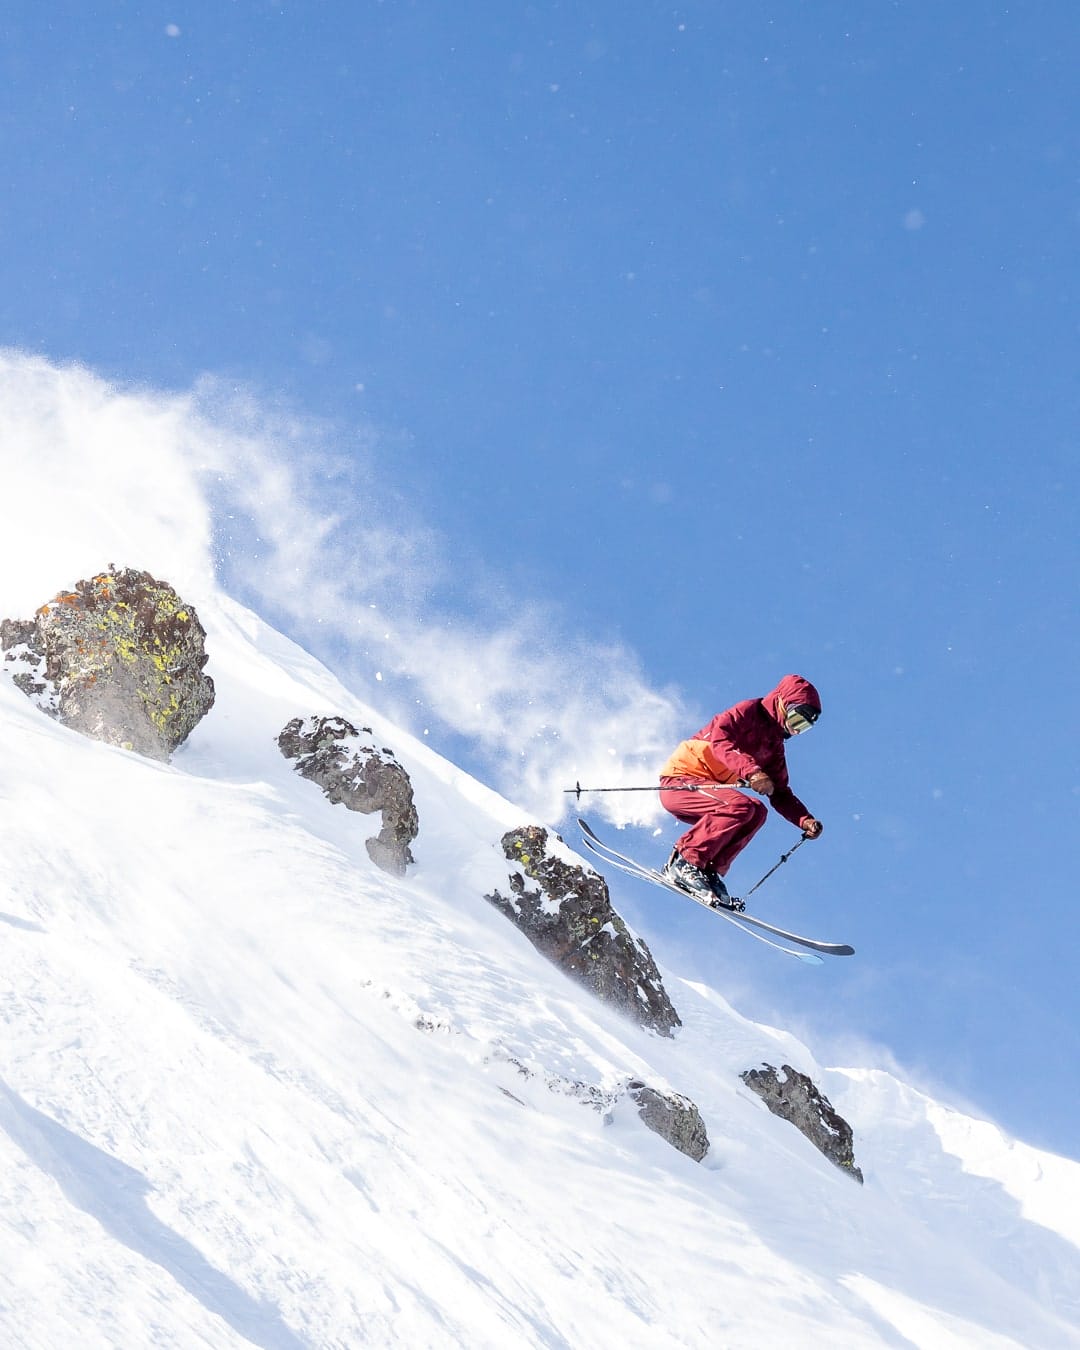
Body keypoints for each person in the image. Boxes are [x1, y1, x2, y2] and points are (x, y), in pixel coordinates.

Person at [659, 674, 824, 909]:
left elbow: (780, 793)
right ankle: (685, 861)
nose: (795, 730)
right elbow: (721, 741)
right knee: (741, 806)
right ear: (782, 703)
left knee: (757, 811)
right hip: (682, 782)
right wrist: (753, 772)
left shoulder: (773, 746)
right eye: (796, 719)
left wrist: (804, 820)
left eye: (803, 728)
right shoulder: (747, 712)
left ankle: (708, 870)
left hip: (712, 793)